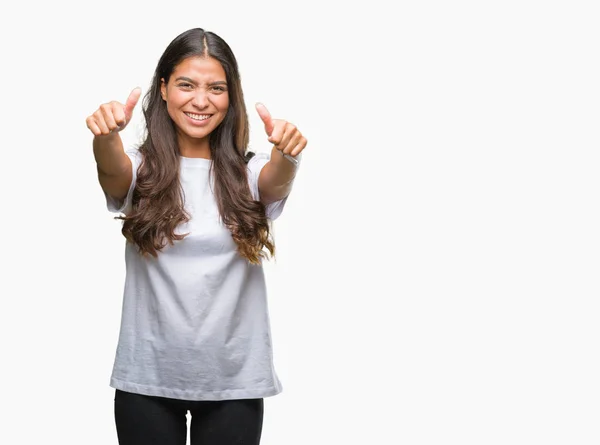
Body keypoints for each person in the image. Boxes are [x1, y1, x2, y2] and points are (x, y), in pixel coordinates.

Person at [85, 27, 307, 445]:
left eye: (216, 88)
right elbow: (112, 171)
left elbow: (276, 181)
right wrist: (106, 137)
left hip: (234, 381)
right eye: (187, 85)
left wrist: (287, 154)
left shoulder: (249, 173)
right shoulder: (140, 170)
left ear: (231, 96)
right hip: (146, 379)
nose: (201, 101)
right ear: (164, 89)